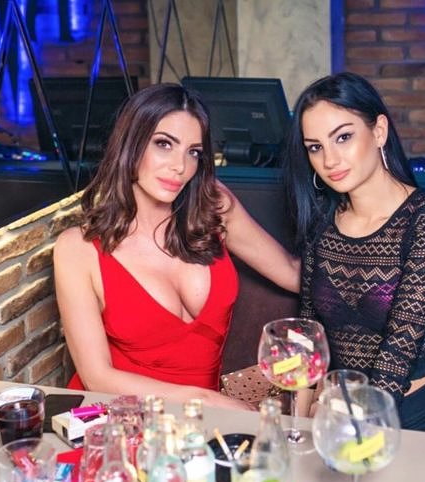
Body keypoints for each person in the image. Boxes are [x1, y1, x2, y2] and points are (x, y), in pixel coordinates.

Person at [283, 72, 425, 482]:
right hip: (347, 417)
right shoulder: (319, 225)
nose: (330, 159)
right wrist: (301, 425)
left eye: (343, 137)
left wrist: (353, 432)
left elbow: (398, 349)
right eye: (315, 147)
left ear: (379, 131)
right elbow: (311, 336)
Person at [54, 83, 299, 411]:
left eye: (193, 152)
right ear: (131, 144)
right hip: (122, 417)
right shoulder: (78, 249)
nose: (180, 166)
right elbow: (97, 377)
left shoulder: (213, 208)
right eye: (164, 144)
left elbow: (291, 271)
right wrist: (211, 401)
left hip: (204, 422)